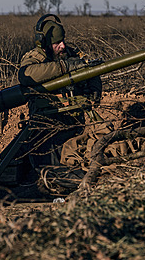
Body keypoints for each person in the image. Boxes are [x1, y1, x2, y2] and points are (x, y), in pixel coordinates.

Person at [16, 14, 102, 173]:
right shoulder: (36, 57)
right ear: (44, 44)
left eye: (63, 41)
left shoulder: (71, 54)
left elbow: (92, 71)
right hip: (47, 127)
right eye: (56, 43)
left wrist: (95, 90)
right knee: (53, 170)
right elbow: (26, 75)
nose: (62, 46)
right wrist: (63, 67)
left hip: (74, 124)